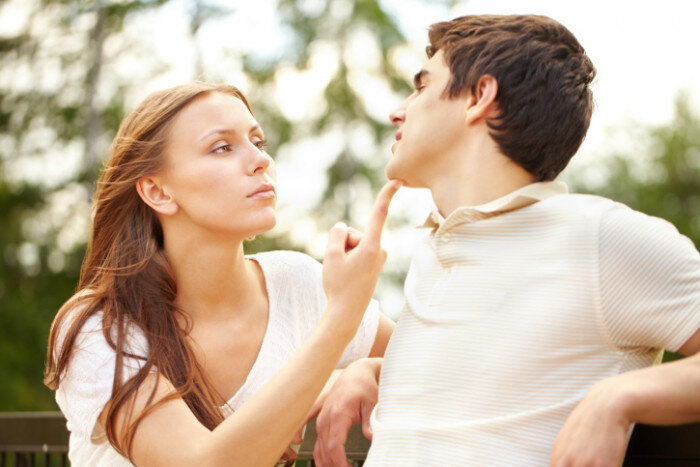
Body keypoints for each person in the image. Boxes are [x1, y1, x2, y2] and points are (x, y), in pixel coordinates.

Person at [307, 14, 700, 466]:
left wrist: (618, 398)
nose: (398, 111)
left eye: (421, 86)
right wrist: (376, 372)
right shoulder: (437, 249)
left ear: (479, 97)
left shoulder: (601, 237)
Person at [44, 82, 400, 466]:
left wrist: (368, 370)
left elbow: (437, 366)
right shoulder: (100, 327)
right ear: (157, 191)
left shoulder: (298, 283)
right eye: (222, 148)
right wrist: (340, 320)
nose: (260, 160)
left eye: (258, 142)